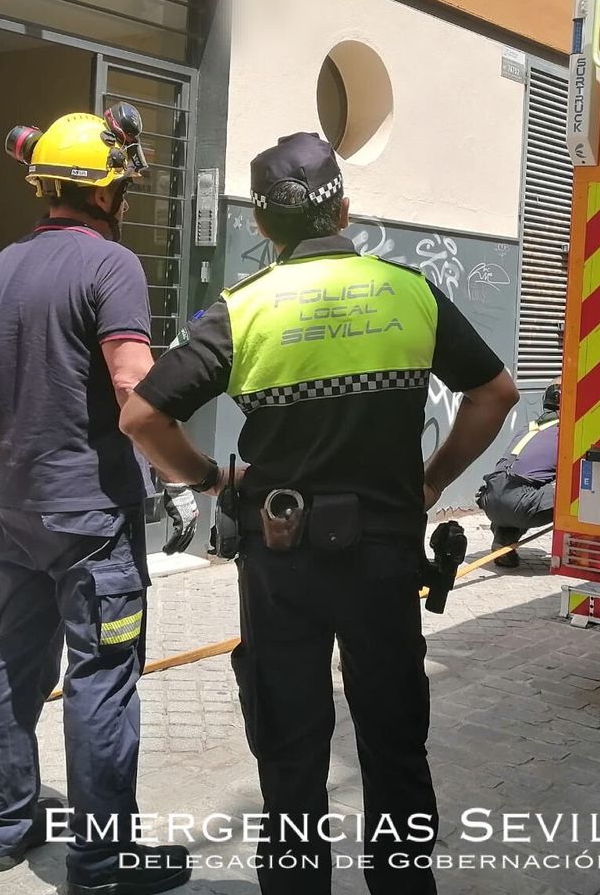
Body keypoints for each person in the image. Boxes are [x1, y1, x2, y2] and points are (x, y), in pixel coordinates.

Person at [122, 132, 519, 894]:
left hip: (282, 561)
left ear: (264, 227)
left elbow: (141, 417)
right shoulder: (409, 292)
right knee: (395, 744)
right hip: (385, 559)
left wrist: (210, 479)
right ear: (344, 205)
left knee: (292, 751)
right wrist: (431, 483)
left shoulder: (242, 311)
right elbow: (495, 394)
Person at [0, 109, 192, 894]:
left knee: (14, 661)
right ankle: (102, 860)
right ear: (107, 192)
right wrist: (178, 475)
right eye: (125, 183)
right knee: (102, 676)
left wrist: (7, 469)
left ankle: (3, 825)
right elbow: (133, 385)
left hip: (19, 508)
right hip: (93, 521)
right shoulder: (112, 266)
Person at [476, 382, 560, 568]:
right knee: (578, 487)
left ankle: (503, 540)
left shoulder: (530, 428)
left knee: (522, 489)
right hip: (518, 504)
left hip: (491, 499)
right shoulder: (566, 433)